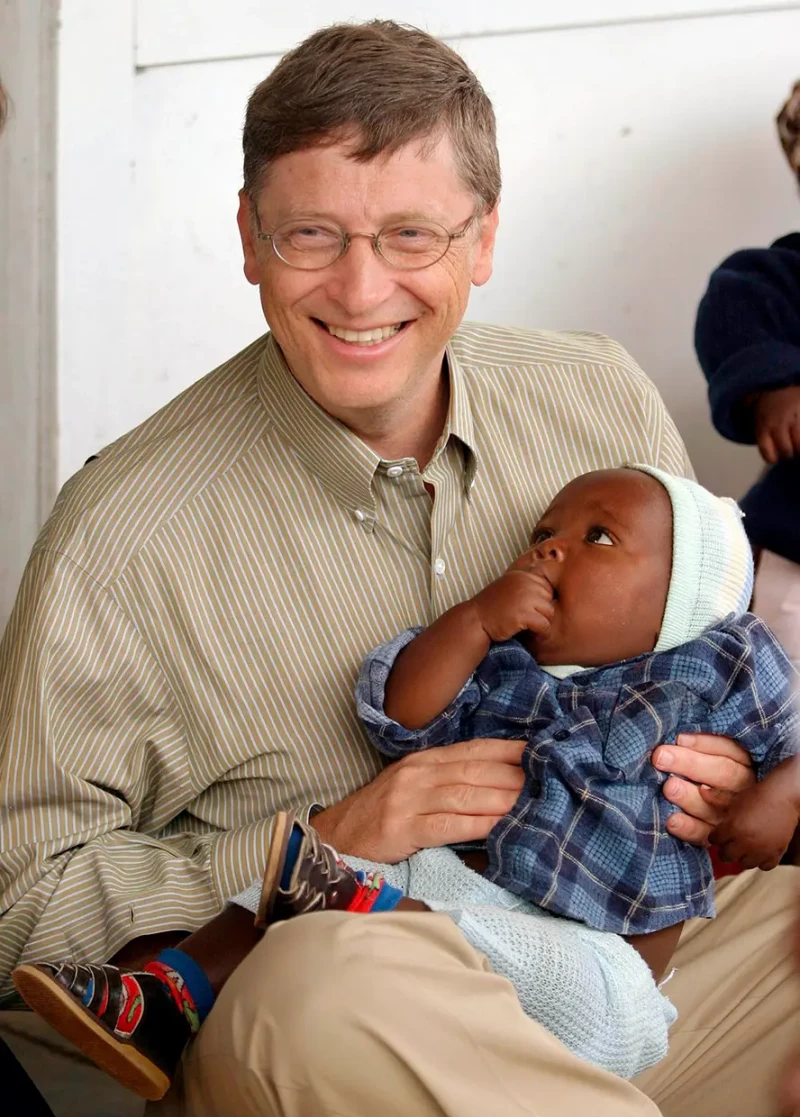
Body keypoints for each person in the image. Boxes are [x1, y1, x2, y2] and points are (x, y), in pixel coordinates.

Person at [0, 20, 797, 1117]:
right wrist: (321, 842)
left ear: (482, 240)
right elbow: (17, 901)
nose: (362, 289)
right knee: (316, 987)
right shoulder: (120, 531)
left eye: (411, 235)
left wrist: (726, 795)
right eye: (311, 235)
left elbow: (706, 658)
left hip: (632, 972)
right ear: (246, 236)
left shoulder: (594, 393)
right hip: (362, 1023)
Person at [12, 464, 800, 1102]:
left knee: (415, 928)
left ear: (686, 593)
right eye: (543, 534)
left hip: (601, 967)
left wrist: (773, 798)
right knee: (302, 873)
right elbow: (403, 711)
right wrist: (472, 624)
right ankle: (163, 993)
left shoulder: (724, 664)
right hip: (439, 898)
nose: (550, 548)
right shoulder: (509, 668)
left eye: (597, 537)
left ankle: (378, 923)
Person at [696, 79, 800, 668]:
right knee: (784, 716)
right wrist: (774, 385)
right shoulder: (783, 274)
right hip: (796, 549)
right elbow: (737, 304)